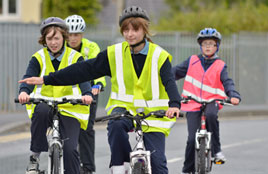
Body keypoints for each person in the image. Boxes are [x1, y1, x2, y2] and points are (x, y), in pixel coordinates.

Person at [19, 6, 181, 174]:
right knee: (116, 127)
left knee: (159, 165)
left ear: (145, 30)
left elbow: (169, 81)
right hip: (123, 110)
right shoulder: (115, 53)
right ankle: (120, 168)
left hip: (154, 115)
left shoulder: (158, 56)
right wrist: (47, 79)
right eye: (126, 30)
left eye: (135, 29)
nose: (130, 34)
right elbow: (83, 70)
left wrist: (174, 104)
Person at [18, 17, 94, 174]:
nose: (53, 42)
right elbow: (29, 77)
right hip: (45, 103)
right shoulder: (38, 57)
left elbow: (83, 79)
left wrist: (87, 94)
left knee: (71, 149)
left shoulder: (75, 57)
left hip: (70, 107)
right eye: (49, 38)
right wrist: (24, 92)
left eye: (56, 38)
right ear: (44, 40)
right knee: (40, 112)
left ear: (64, 37)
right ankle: (34, 158)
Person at [172, 28, 241, 174]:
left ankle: (217, 151)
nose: (208, 46)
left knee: (211, 116)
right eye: (205, 43)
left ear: (217, 46)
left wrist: (233, 95)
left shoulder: (220, 65)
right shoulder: (192, 61)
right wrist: (162, 77)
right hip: (192, 102)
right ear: (200, 46)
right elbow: (174, 73)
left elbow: (227, 82)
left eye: (211, 43)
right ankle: (187, 169)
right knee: (191, 139)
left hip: (212, 100)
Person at [65, 14, 106, 174]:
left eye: (76, 35)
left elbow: (98, 67)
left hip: (88, 92)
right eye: (69, 35)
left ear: (82, 34)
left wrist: (98, 83)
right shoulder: (62, 48)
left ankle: (87, 168)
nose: (73, 38)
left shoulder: (91, 47)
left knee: (86, 128)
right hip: (67, 92)